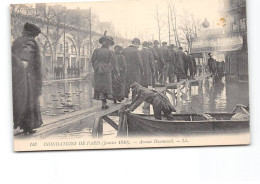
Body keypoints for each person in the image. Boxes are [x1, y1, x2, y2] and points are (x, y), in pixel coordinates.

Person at [12, 22, 43, 134]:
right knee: (30, 101)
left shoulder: (17, 41)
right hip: (28, 77)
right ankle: (28, 127)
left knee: (20, 101)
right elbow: (25, 55)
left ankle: (20, 125)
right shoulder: (30, 41)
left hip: (15, 77)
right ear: (33, 34)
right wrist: (24, 63)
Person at [91, 31, 118, 109]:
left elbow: (93, 60)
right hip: (106, 71)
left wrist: (96, 67)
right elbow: (114, 62)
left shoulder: (96, 51)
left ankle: (103, 103)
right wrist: (111, 69)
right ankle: (104, 103)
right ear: (108, 44)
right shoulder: (110, 52)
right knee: (106, 87)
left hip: (98, 71)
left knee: (99, 87)